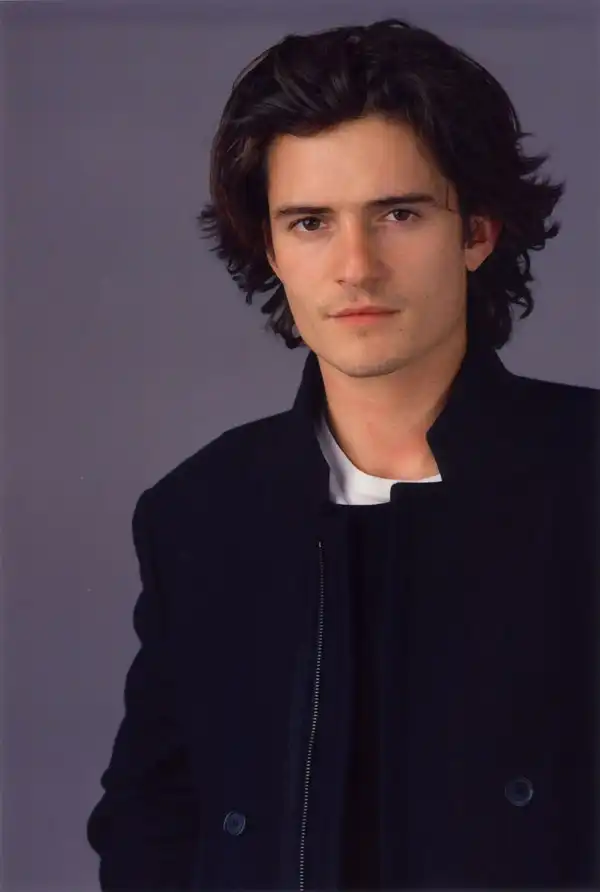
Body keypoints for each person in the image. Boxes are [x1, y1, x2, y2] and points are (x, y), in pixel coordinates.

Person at [86, 17, 600, 891]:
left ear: (477, 232)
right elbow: (152, 822)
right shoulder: (197, 514)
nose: (355, 266)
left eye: (398, 213)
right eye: (311, 222)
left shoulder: (584, 473)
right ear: (271, 248)